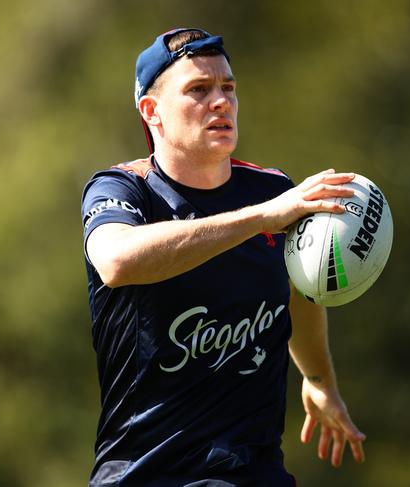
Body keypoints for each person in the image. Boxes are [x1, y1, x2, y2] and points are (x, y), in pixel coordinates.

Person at [81, 28, 366, 486]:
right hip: (147, 475)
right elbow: (116, 261)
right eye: (198, 89)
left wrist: (318, 378)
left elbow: (301, 286)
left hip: (252, 472)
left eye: (228, 88)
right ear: (151, 111)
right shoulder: (123, 189)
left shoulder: (273, 191)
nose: (221, 101)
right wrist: (260, 218)